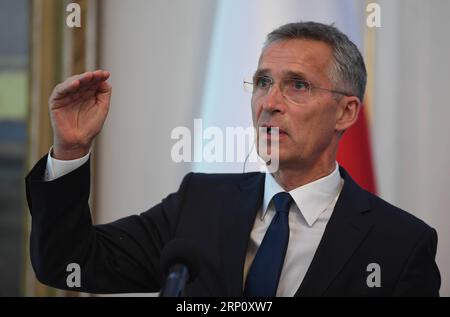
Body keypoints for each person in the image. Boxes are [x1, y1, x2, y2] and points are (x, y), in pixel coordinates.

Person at [26, 21, 440, 296]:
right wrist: (71, 150)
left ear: (346, 111)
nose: (269, 103)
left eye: (296, 85)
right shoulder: (200, 203)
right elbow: (69, 263)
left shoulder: (399, 244)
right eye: (262, 82)